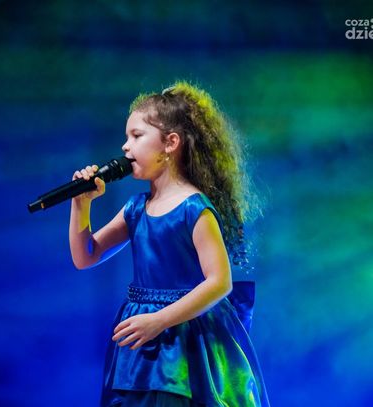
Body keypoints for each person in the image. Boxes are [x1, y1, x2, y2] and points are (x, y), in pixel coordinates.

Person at [69, 81, 270, 406]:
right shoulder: (136, 208)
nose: (125, 147)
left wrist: (159, 320)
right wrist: (81, 204)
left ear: (170, 143)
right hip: (141, 344)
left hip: (186, 341)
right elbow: (86, 256)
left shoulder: (194, 208)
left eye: (136, 135)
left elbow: (220, 282)